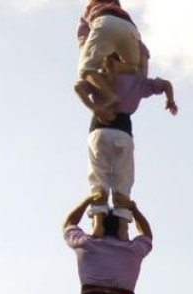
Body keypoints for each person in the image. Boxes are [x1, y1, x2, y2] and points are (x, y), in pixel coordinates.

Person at [74, 44, 177, 227]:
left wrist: (95, 108)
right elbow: (166, 84)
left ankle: (98, 221)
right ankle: (122, 227)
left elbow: (78, 87)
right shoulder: (136, 81)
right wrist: (170, 100)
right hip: (123, 131)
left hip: (99, 129)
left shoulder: (100, 77)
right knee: (124, 180)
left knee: (99, 178)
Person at [75, 1, 142, 116]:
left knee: (85, 69)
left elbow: (84, 43)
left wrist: (95, 57)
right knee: (133, 67)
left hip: (105, 21)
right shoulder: (117, 6)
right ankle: (116, 65)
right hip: (130, 27)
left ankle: (111, 97)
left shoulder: (89, 9)